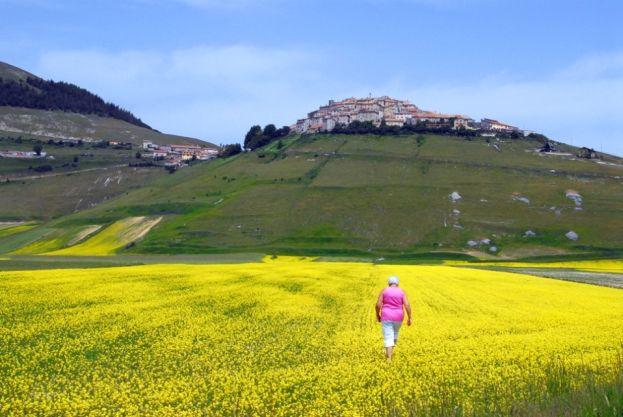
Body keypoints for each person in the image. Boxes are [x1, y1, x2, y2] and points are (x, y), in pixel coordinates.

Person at [375, 276, 412, 361]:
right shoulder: (401, 291)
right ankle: (389, 351)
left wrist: (377, 315)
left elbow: (378, 305)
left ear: (389, 283)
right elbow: (407, 305)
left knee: (388, 336)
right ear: (397, 283)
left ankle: (389, 359)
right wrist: (409, 317)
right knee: (395, 333)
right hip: (398, 317)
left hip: (386, 316)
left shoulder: (384, 290)